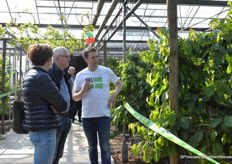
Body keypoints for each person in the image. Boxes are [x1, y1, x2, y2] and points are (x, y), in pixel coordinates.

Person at [72, 47, 123, 164]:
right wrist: (82, 91)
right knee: (91, 147)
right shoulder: (80, 75)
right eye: (93, 57)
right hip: (87, 117)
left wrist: (114, 95)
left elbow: (120, 84)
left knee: (105, 147)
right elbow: (75, 98)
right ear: (86, 59)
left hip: (103, 115)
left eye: (97, 57)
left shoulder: (106, 71)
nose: (96, 59)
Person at [22, 44, 68, 164]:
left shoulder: (29, 75)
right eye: (51, 58)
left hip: (35, 128)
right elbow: (62, 104)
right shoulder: (42, 77)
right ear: (48, 59)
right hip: (45, 130)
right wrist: (57, 107)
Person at [47, 47, 73, 164]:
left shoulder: (63, 75)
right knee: (51, 154)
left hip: (66, 118)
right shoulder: (50, 74)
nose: (69, 59)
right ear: (57, 58)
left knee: (58, 153)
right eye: (67, 56)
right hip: (56, 119)